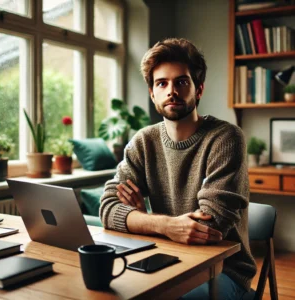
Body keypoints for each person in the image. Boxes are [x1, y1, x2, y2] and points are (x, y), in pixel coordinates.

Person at [99, 38, 257, 299]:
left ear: (199, 89)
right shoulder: (143, 141)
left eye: (181, 81)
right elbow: (108, 208)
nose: (171, 90)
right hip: (165, 261)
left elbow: (211, 227)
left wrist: (142, 219)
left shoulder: (226, 138)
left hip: (222, 271)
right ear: (152, 93)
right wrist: (166, 225)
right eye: (162, 83)